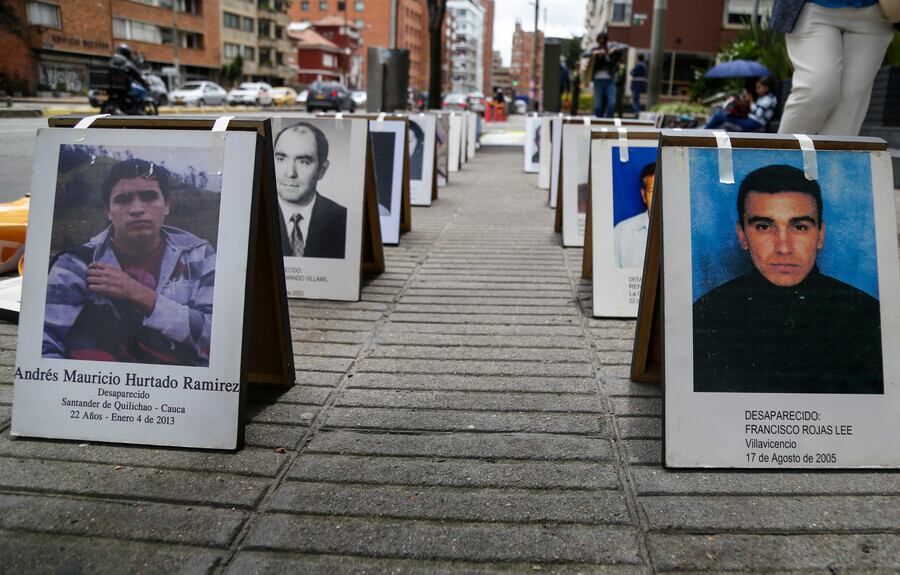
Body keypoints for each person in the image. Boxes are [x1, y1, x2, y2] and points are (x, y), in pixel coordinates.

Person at [693, 164, 883, 394]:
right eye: (764, 226)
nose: (784, 247)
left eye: (800, 227)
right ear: (742, 235)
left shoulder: (868, 317)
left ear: (820, 236)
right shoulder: (707, 316)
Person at [43, 159, 215, 366]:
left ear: (166, 205)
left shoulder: (199, 256)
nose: (136, 209)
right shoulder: (75, 265)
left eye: (149, 196)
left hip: (180, 391)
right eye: (123, 199)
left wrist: (137, 294)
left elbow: (216, 337)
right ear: (109, 211)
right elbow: (44, 343)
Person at [773, 0, 894, 136]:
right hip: (813, 7)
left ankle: (833, 157)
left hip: (875, 13)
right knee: (817, 88)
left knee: (850, 103)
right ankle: (781, 155)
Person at [274, 121, 347, 259]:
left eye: (303, 162)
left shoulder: (343, 219)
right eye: (281, 159)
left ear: (322, 170)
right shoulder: (253, 215)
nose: (290, 173)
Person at [613, 162, 655, 268]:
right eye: (652, 191)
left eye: (663, 191)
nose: (658, 198)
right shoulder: (621, 232)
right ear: (644, 195)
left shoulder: (686, 234)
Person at [704, 76, 777, 132]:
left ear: (766, 88)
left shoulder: (768, 99)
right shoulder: (764, 97)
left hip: (755, 123)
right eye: (756, 88)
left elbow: (758, 113)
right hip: (750, 120)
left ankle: (704, 134)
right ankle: (707, 132)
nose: (757, 90)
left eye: (759, 88)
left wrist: (751, 101)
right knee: (721, 113)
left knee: (719, 116)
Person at [584, 32, 627, 118]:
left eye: (604, 39)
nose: (602, 41)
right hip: (598, 80)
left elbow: (624, 46)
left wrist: (612, 50)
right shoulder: (595, 50)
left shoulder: (611, 49)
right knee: (598, 105)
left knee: (611, 103)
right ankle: (598, 121)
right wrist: (596, 52)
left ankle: (609, 120)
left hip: (610, 79)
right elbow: (585, 54)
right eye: (600, 39)